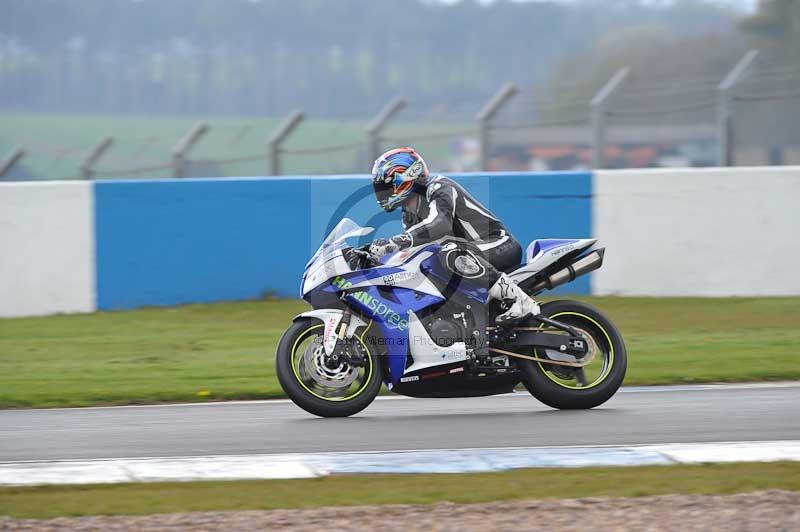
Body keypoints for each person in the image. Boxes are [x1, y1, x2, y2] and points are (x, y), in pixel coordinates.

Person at [369, 147, 540, 324]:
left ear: (407, 177)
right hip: (467, 259)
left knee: (451, 252)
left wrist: (397, 241)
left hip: (498, 244)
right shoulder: (409, 214)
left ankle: (520, 301)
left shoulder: (439, 187)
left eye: (386, 186)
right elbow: (415, 250)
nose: (382, 192)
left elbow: (440, 223)